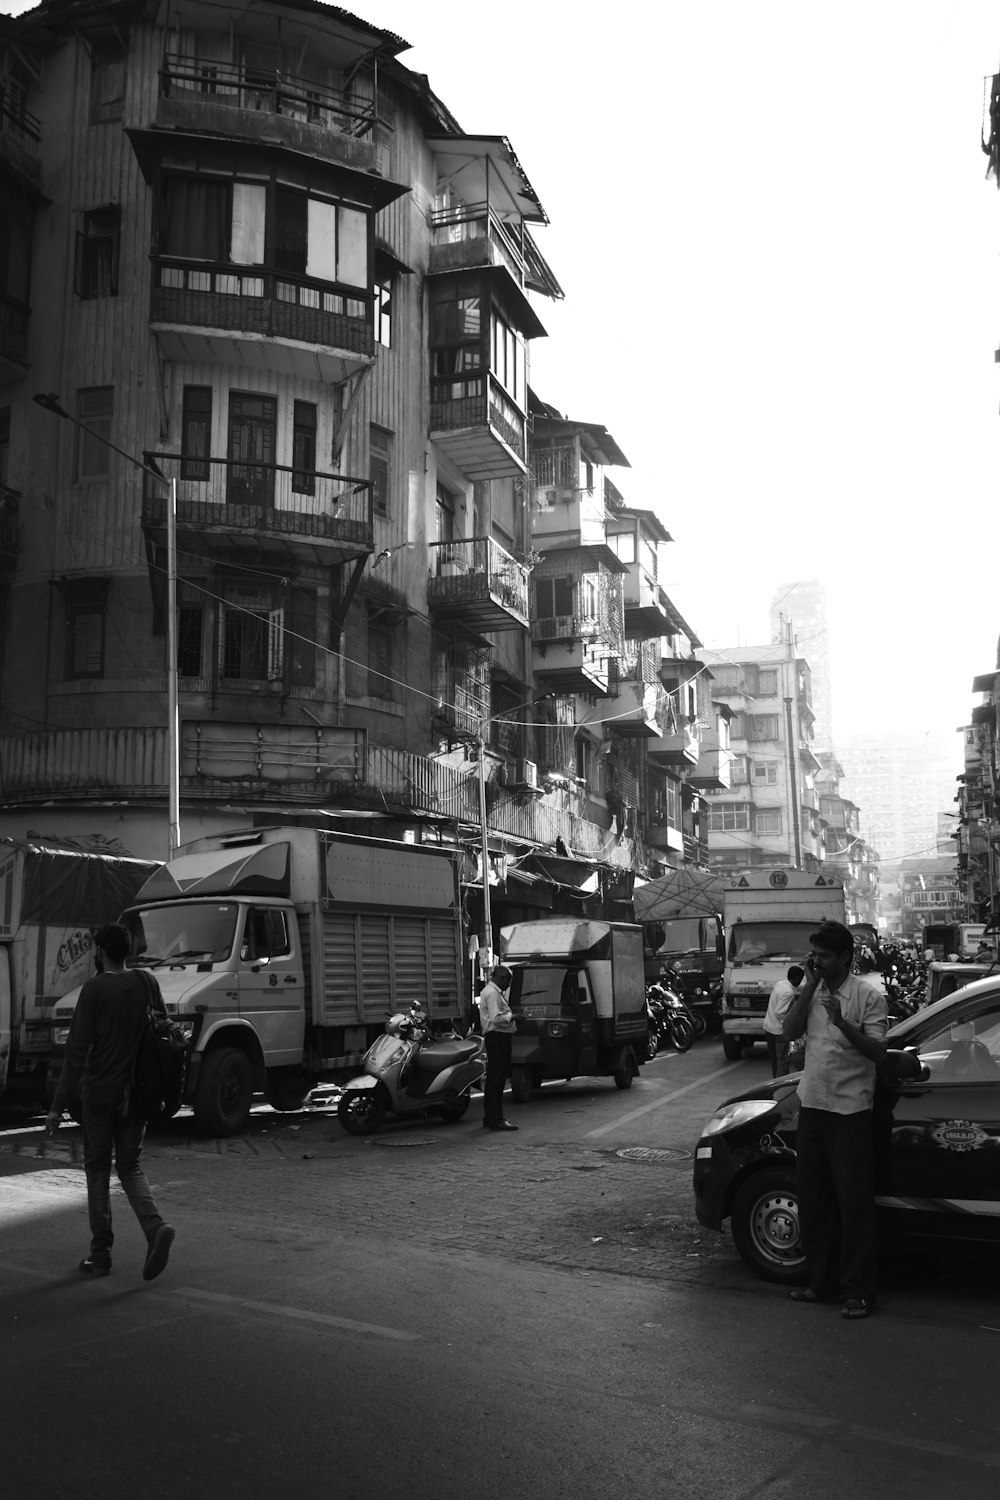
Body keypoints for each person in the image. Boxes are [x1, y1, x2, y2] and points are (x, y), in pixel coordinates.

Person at [45, 922, 176, 1281]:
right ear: (127, 951)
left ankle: (100, 1254)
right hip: (139, 1095)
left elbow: (76, 1052)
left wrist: (57, 1106)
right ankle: (155, 1228)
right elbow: (164, 1029)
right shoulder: (147, 982)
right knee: (130, 1167)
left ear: (101, 952)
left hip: (101, 1095)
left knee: (98, 1170)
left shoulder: (95, 990)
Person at [782, 920, 887, 1320]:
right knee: (813, 1200)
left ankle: (858, 1291)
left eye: (825, 957)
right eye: (815, 956)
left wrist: (843, 1023)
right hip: (813, 1107)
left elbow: (878, 1053)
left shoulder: (867, 996)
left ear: (846, 957)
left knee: (853, 1204)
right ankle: (821, 1283)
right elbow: (787, 1032)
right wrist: (809, 986)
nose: (818, 962)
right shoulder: (812, 990)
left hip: (850, 1112)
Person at [477, 964, 518, 1133]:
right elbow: (496, 1018)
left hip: (496, 1038)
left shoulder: (489, 991)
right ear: (502, 978)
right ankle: (496, 1118)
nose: (508, 985)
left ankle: (490, 1117)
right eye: (508, 981)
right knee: (497, 1079)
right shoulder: (493, 993)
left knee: (494, 1078)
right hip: (498, 1038)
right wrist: (513, 1017)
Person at [762, 964, 804, 1077]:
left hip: (769, 1027)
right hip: (779, 1031)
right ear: (797, 978)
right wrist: (791, 1026)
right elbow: (779, 1012)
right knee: (783, 1061)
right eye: (800, 979)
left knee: (775, 1061)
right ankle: (781, 1087)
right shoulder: (789, 992)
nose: (800, 982)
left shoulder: (780, 984)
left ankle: (774, 1084)